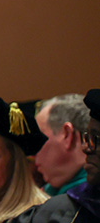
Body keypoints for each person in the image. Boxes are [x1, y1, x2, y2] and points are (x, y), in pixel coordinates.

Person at [8, 89, 100, 222]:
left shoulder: (66, 211)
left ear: (67, 135)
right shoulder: (57, 202)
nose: (86, 147)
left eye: (96, 139)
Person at [33, 94, 89, 196]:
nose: (32, 153)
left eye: (38, 139)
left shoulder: (91, 198)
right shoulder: (48, 192)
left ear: (67, 135)